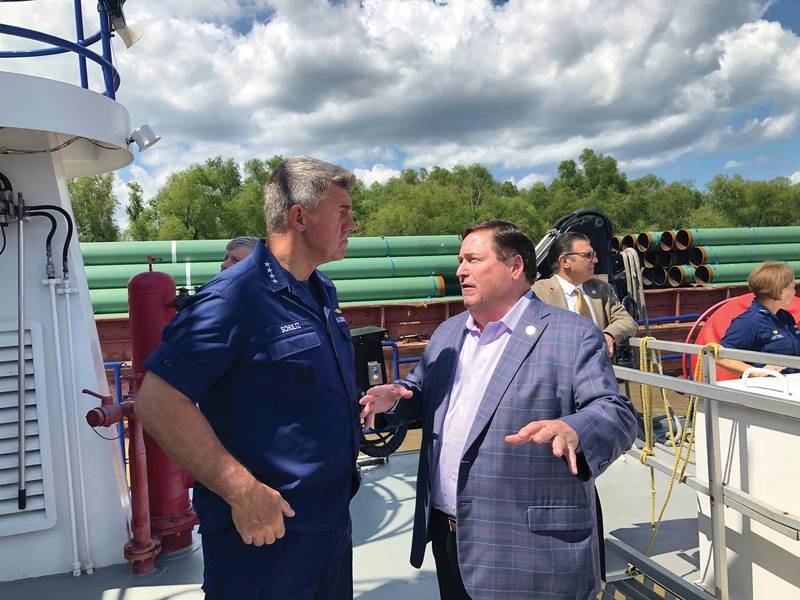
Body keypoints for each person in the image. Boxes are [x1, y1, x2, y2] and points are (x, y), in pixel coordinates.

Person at [359, 220, 637, 600]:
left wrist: (575, 429)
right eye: (460, 260)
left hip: (530, 550)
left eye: (473, 259)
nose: (460, 270)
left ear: (515, 267)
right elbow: (421, 390)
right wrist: (395, 396)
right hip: (451, 540)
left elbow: (616, 412)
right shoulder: (448, 332)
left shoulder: (572, 334)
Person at [135, 156, 359, 600]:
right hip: (265, 534)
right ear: (299, 216)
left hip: (330, 522)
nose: (353, 223)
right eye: (343, 211)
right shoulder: (233, 297)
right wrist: (242, 492)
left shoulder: (320, 289)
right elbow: (158, 402)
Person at [532, 232, 637, 357]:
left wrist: (609, 334)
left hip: (599, 370)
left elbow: (627, 321)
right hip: (560, 372)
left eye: (594, 255)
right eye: (588, 255)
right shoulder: (538, 293)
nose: (595, 260)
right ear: (565, 261)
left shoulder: (602, 289)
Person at [718, 261, 800, 376]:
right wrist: (758, 372)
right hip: (767, 388)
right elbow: (720, 357)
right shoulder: (749, 322)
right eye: (792, 288)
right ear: (780, 290)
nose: (794, 293)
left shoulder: (786, 317)